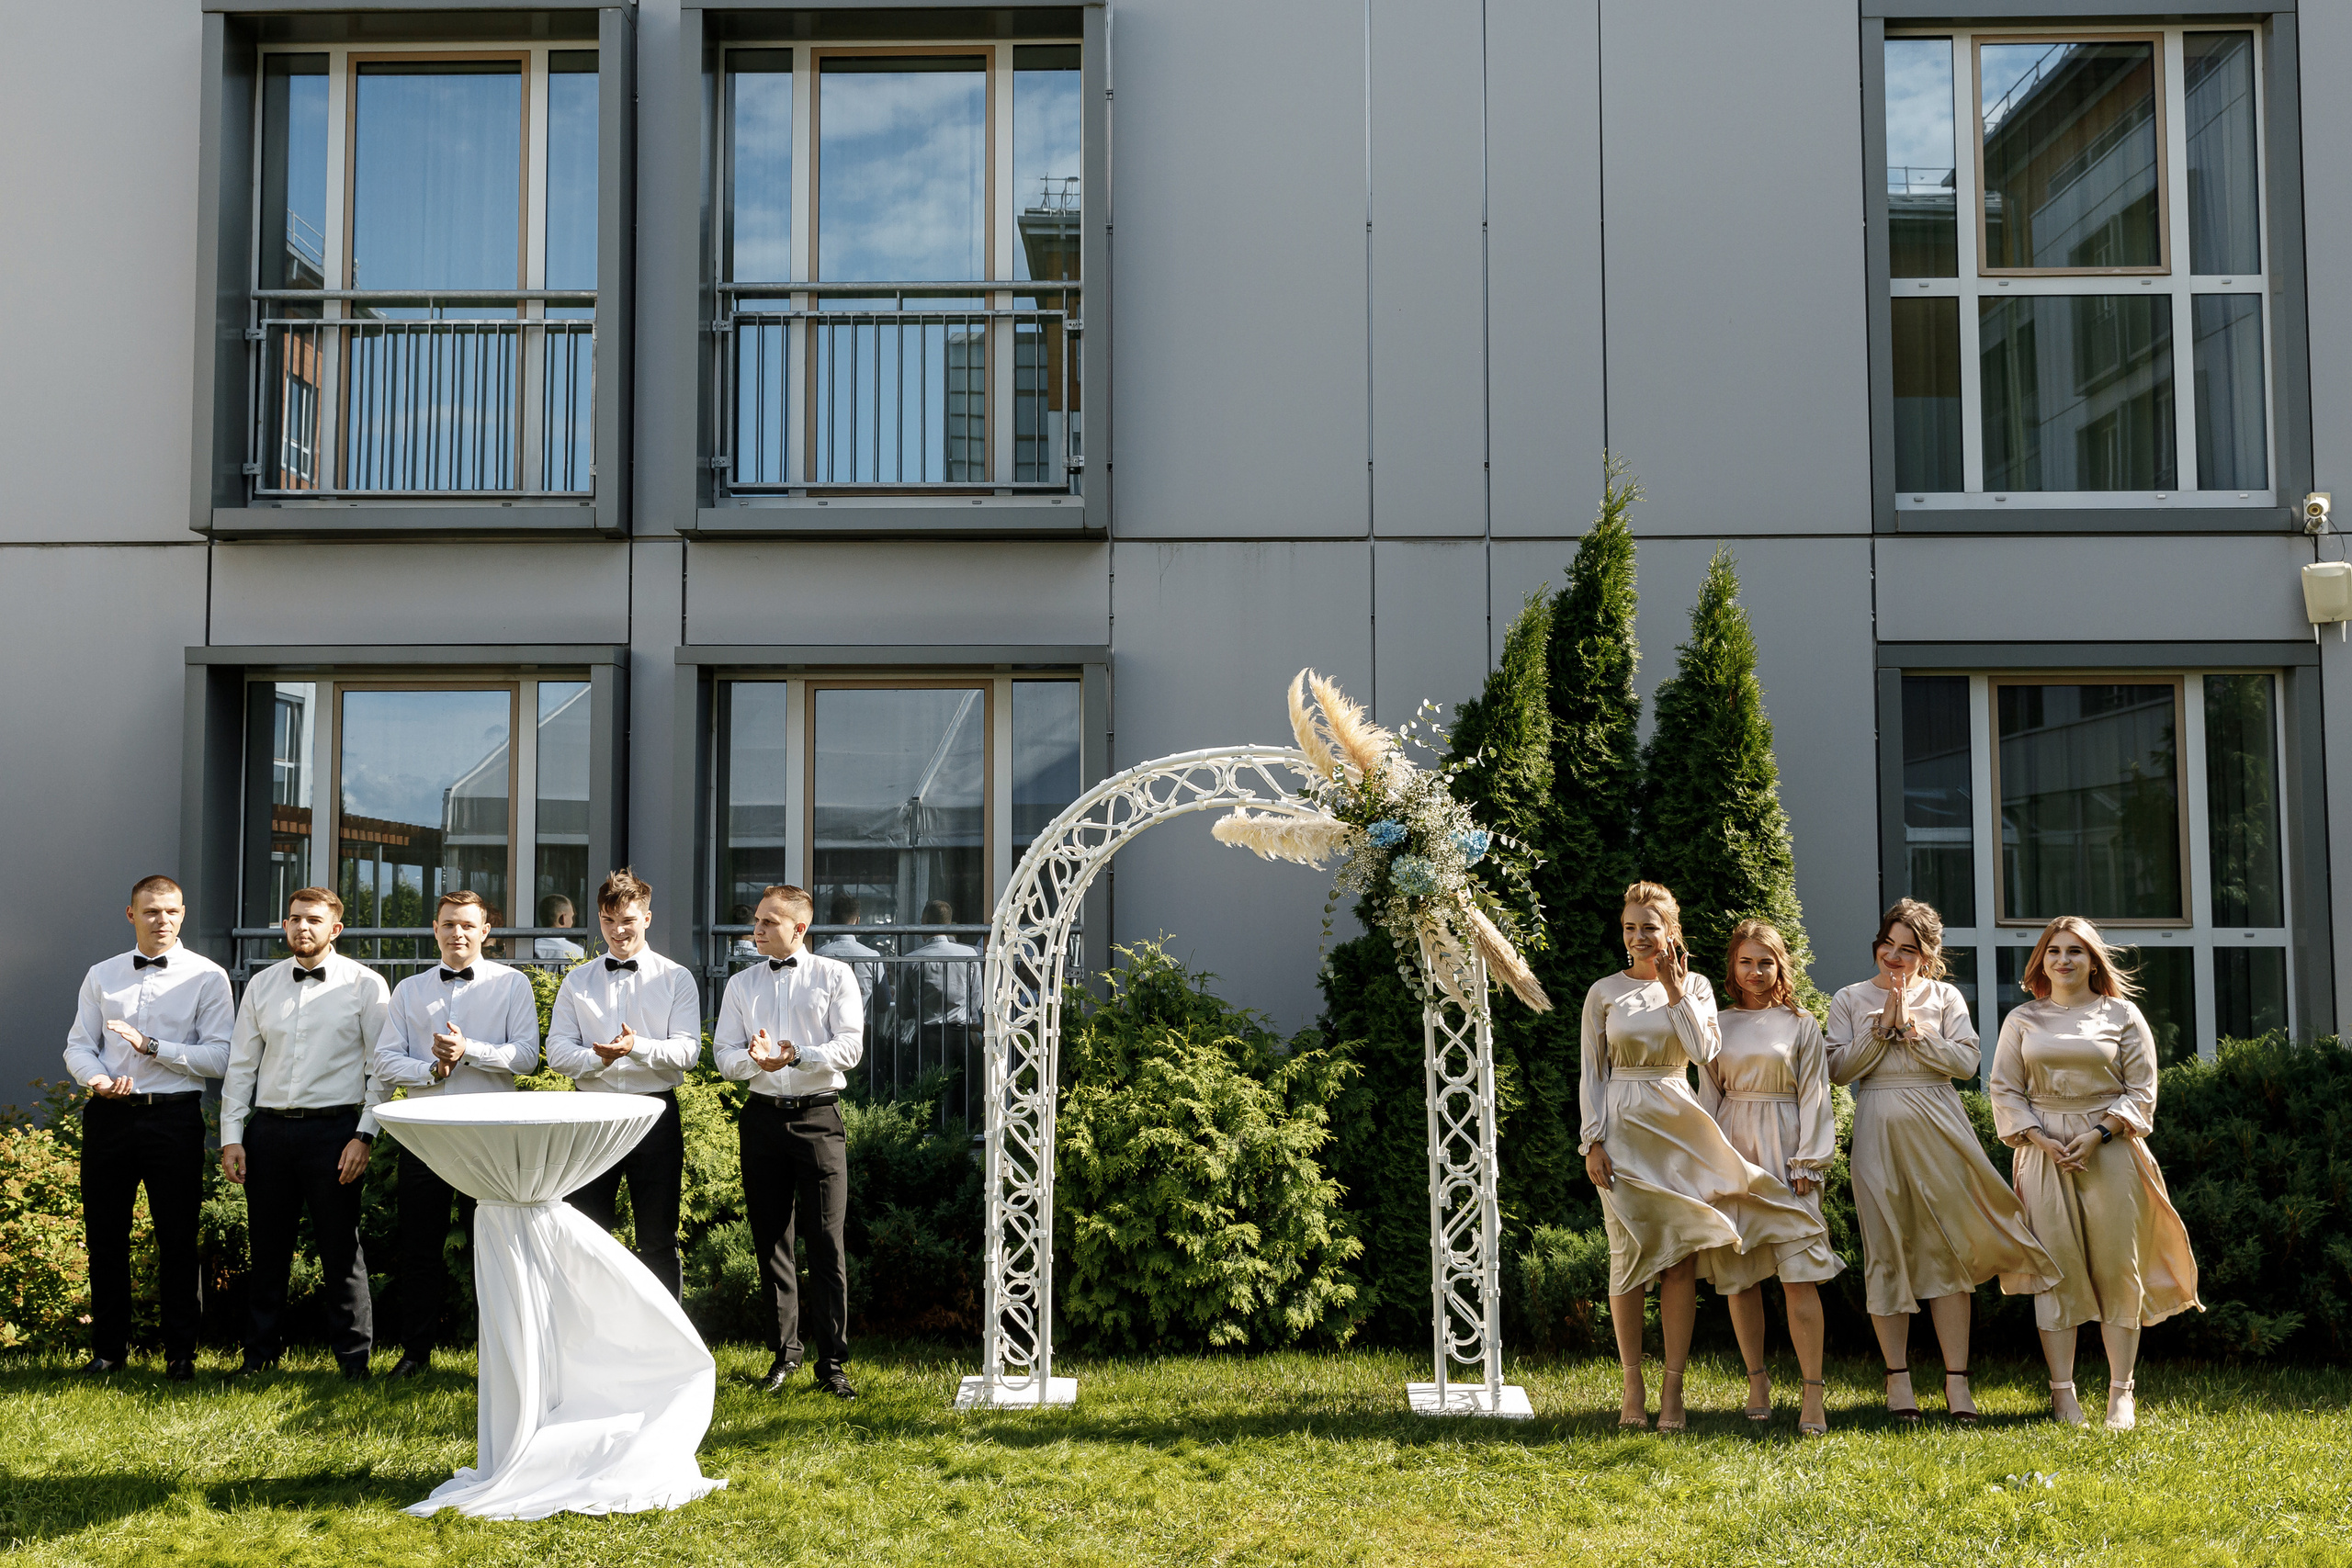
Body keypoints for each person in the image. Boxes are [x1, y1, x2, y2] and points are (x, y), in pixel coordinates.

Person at [1579, 882, 1832, 1431]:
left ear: (1671, 931)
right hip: (1621, 1127)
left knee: (1681, 1264)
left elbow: (1703, 1055)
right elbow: (1591, 1071)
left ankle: (1673, 1394)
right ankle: (1632, 1390)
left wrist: (1673, 990)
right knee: (1626, 1262)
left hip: (1677, 1123)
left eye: (1650, 926)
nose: (1639, 937)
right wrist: (1591, 1139)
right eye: (1630, 927)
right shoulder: (1602, 992)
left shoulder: (1694, 986)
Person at [1827, 897, 2059, 1423]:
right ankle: (1898, 1382)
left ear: (1927, 956)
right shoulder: (1848, 998)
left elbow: (1966, 1061)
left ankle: (1958, 1385)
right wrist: (1879, 1027)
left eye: (1908, 949)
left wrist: (1913, 1030)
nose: (1894, 956)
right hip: (1877, 1123)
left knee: (1948, 1249)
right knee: (1885, 1245)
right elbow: (1839, 1069)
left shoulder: (1946, 996)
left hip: (1938, 1122)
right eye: (1888, 944)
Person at [1990, 916, 2200, 1430]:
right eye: (2054, 950)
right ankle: (2063, 1395)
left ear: (2093, 961)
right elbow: (2004, 1089)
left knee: (2117, 1267)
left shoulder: (2123, 1015)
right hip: (2042, 1152)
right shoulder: (2022, 1019)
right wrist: (2041, 1138)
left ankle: (2120, 1393)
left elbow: (2142, 1091)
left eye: (2076, 951)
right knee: (2053, 1268)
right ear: (2041, 960)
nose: (2064, 960)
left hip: (2110, 1151)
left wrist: (2098, 1134)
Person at [62, 874, 234, 1382]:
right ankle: (109, 1352)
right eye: (152, 911)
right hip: (110, 1118)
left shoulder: (207, 976)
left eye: (173, 911)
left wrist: (153, 1047)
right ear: (131, 914)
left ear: (182, 916)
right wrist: (94, 1079)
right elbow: (79, 1043)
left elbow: (221, 1057)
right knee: (105, 1236)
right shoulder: (102, 974)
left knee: (178, 1238)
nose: (163, 920)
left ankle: (181, 1355)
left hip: (173, 1117)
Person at [220, 887, 390, 1379]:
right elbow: (240, 1066)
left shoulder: (366, 985)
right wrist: (233, 1134)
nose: (302, 928)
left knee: (342, 1250)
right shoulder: (262, 985)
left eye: (313, 920)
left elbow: (381, 1069)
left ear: (335, 929)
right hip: (268, 1132)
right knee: (268, 1250)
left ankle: (354, 1363)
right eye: (294, 919)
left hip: (335, 1132)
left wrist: (366, 1133)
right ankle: (258, 1359)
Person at [372, 890, 539, 1376]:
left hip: (489, 1134)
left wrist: (469, 1051)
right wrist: (432, 1069)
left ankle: (499, 1355)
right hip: (426, 1135)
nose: (458, 933)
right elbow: (384, 1060)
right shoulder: (408, 990)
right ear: (435, 928)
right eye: (449, 925)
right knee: (419, 1247)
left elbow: (527, 1056)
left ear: (485, 931)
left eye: (468, 925)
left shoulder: (512, 985)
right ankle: (415, 1354)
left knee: (494, 1247)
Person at [715, 883, 865, 1399]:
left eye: (767, 922)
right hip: (761, 1119)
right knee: (771, 1239)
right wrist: (754, 1061)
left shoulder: (835, 975)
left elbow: (849, 1048)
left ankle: (833, 1364)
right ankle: (785, 1354)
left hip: (818, 1118)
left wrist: (795, 1055)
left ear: (799, 929)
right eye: (756, 920)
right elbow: (723, 1055)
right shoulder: (742, 985)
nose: (755, 930)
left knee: (826, 1241)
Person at [1698, 919, 1845, 1436]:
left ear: (1780, 965)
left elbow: (1815, 1093)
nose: (1756, 971)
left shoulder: (1801, 1022)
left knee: (1800, 1273)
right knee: (1740, 1277)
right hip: (1735, 1147)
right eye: (1746, 962)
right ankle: (1757, 1380)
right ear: (1733, 968)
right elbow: (1709, 1094)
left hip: (1788, 1152)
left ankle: (1812, 1394)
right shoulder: (1717, 1022)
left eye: (1765, 962)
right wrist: (1710, 1160)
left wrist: (1810, 1160)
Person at [548, 868, 704, 1300]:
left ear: (647, 919)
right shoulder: (577, 980)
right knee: (587, 1230)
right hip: (591, 1115)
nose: (617, 931)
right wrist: (598, 1058)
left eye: (628, 921)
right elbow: (558, 1053)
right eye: (608, 920)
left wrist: (637, 1047)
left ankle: (665, 1347)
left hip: (654, 1114)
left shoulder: (675, 979)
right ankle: (591, 1338)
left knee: (658, 1237)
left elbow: (687, 1053)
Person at [901, 899, 978, 1060]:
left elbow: (904, 1010)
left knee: (927, 1084)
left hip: (927, 1037)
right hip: (960, 1036)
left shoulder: (911, 960)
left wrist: (923, 1006)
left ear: (926, 924)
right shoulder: (970, 955)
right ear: (949, 924)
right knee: (962, 1083)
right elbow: (976, 1001)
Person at [534, 895, 587, 963]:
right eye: (572, 917)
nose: (573, 921)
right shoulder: (577, 953)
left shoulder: (529, 949)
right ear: (562, 919)